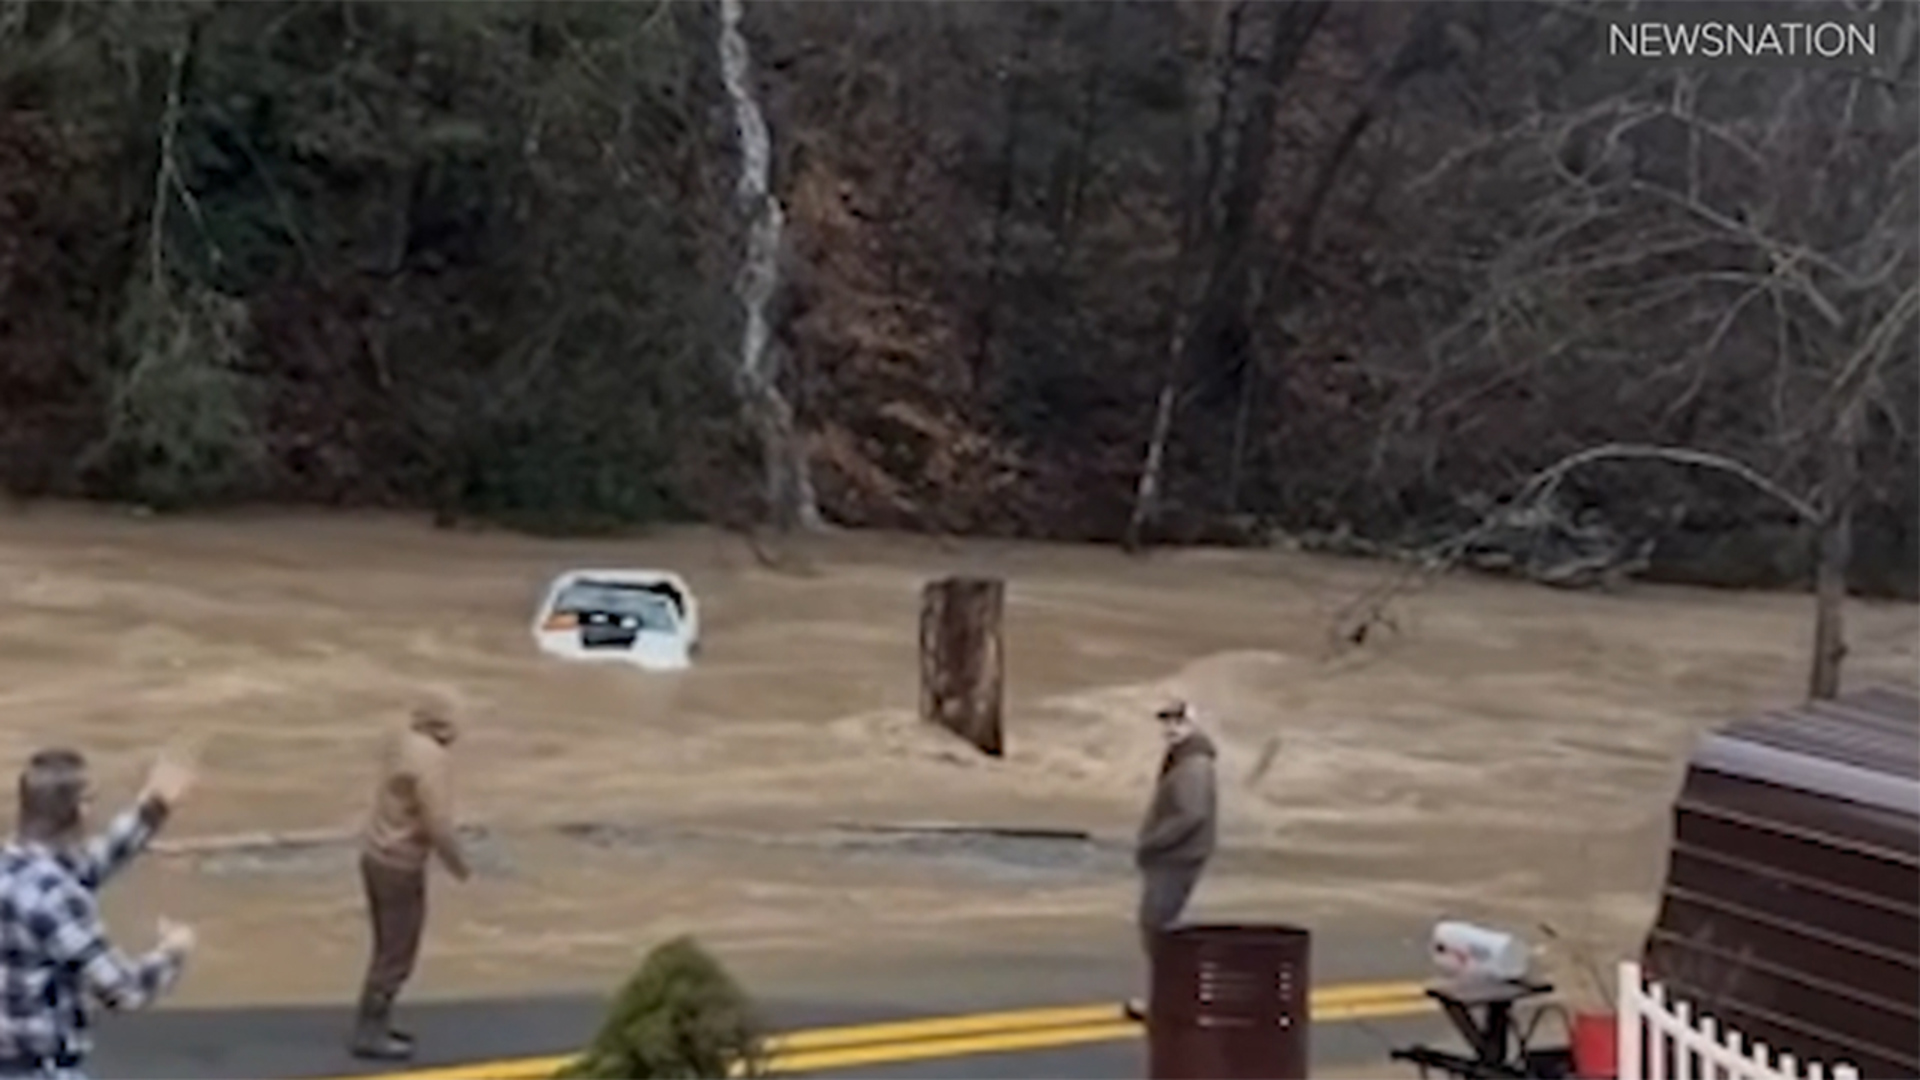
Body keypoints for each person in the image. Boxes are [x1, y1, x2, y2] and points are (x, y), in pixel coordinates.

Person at [0, 747, 198, 1079]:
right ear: (81, 808)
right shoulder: (57, 896)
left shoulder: (15, 870)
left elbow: (87, 866)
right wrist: (173, 953)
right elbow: (125, 992)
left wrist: (153, 809)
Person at [349, 698, 471, 1061]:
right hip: (400, 864)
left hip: (375, 854)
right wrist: (458, 864)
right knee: (397, 951)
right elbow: (437, 821)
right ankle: (370, 1030)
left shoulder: (401, 742)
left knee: (385, 944)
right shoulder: (432, 759)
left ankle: (375, 1023)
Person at [1124, 700, 1218, 1021]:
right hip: (1176, 854)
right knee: (1160, 928)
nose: (1171, 729)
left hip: (1177, 856)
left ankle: (1171, 999)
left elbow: (1191, 814)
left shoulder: (1193, 766)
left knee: (1159, 929)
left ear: (1193, 725)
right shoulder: (1184, 759)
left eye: (1179, 722)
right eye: (1167, 722)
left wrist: (1153, 842)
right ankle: (1170, 996)